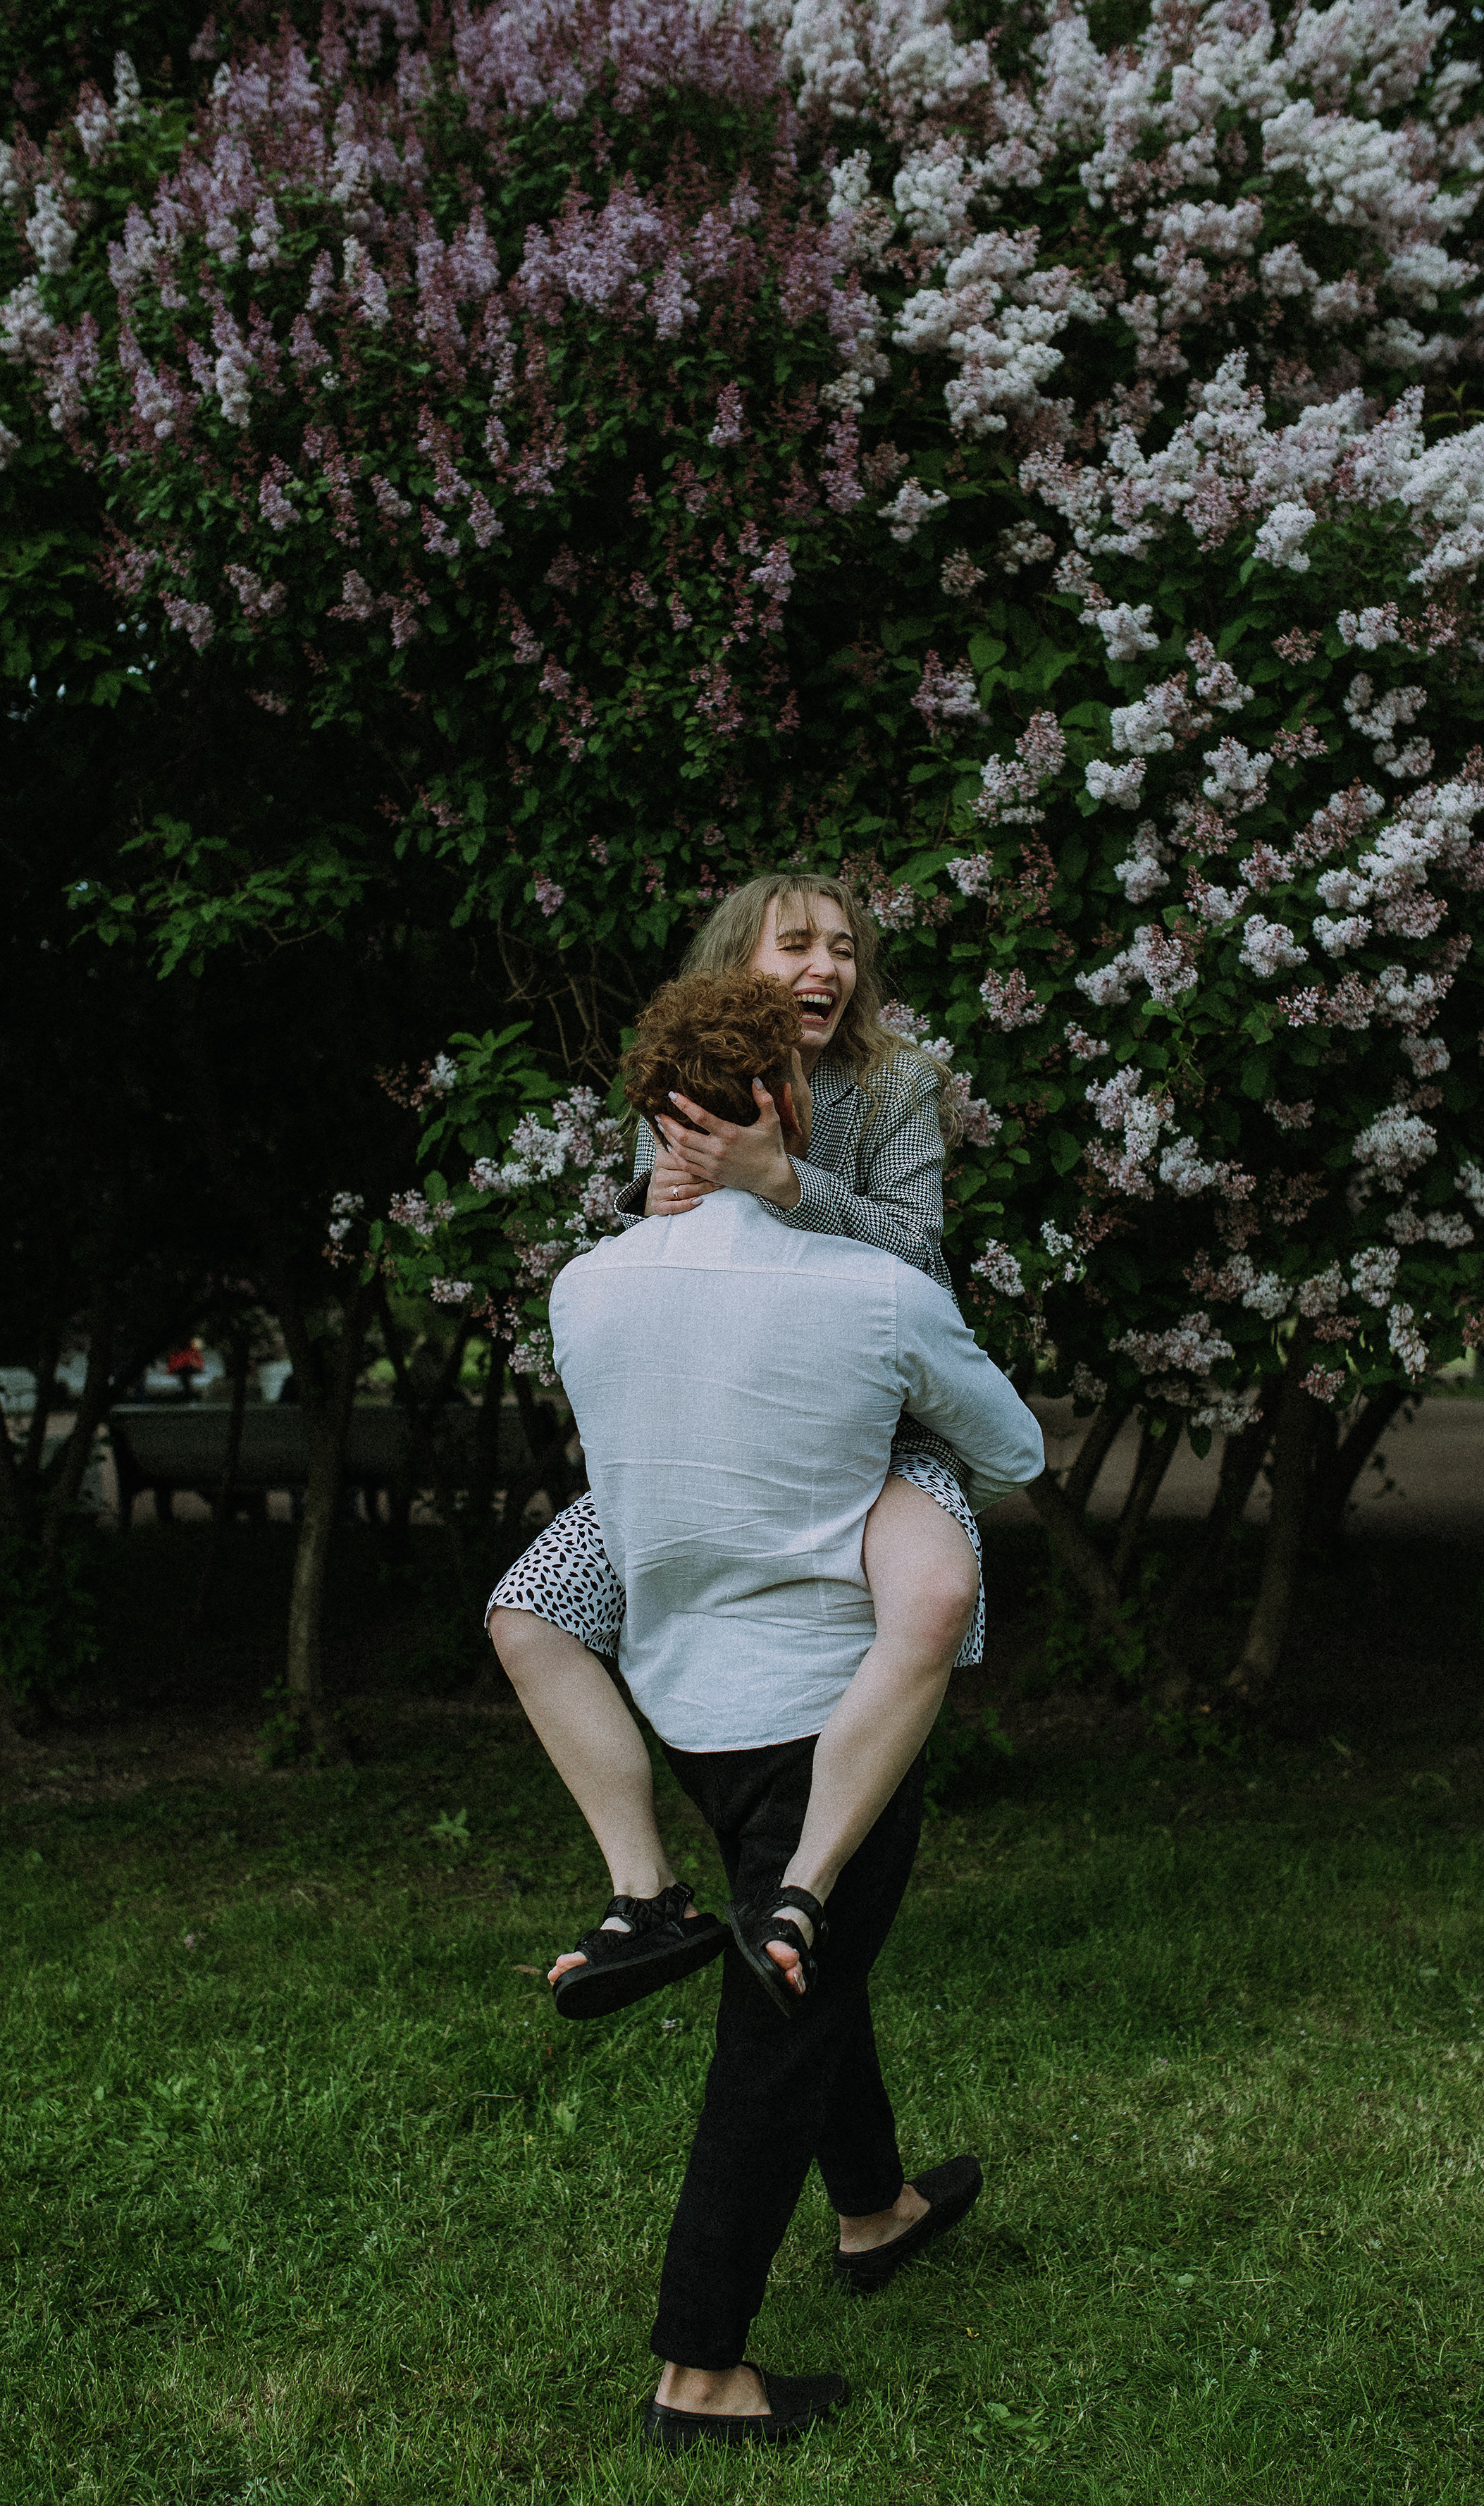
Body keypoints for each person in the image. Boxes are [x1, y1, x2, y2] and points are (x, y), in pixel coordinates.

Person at [540, 967, 1046, 2446]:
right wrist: (884, 1477)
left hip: (682, 1708)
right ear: (790, 1106)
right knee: (782, 2020)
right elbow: (1008, 1446)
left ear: (657, 1118)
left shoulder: (584, 1289)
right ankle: (699, 2365)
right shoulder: (874, 1290)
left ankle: (877, 2205)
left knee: (803, 1944)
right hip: (831, 1711)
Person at [489, 872, 998, 2011]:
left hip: (875, 1442)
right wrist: (663, 1198)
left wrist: (787, 1181)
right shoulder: (684, 1075)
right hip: (723, 1427)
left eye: (845, 949)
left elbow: (923, 1264)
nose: (827, 968)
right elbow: (653, 1245)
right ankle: (644, 1892)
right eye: (798, 946)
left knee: (937, 1592)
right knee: (528, 1613)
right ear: (739, 965)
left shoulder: (897, 1084)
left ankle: (800, 1889)